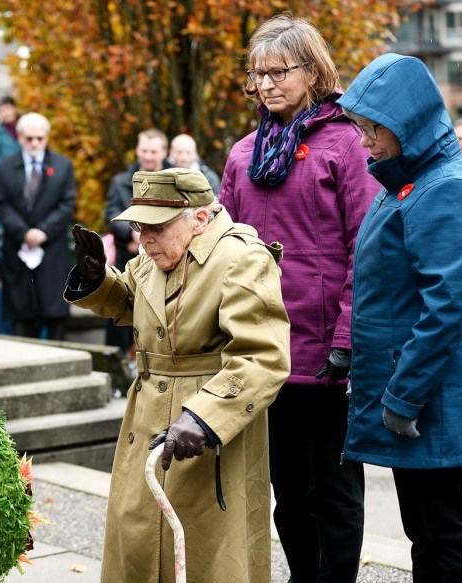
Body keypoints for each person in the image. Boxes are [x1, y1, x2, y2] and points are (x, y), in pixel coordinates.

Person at [64, 167, 291, 583]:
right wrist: (97, 280)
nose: (144, 239)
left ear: (199, 218)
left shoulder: (242, 258)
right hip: (147, 415)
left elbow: (263, 356)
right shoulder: (155, 256)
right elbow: (135, 302)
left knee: (208, 552)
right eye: (137, 226)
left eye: (157, 226)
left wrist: (205, 417)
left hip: (210, 426)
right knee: (137, 539)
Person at [218, 14, 376, 583]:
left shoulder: (346, 145)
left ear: (312, 71)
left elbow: (368, 247)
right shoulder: (242, 155)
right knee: (285, 487)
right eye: (255, 76)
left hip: (327, 348)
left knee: (333, 487)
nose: (265, 86)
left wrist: (348, 337)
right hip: (264, 348)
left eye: (277, 72)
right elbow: (223, 249)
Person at [337, 53, 462, 583]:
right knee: (428, 533)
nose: (364, 141)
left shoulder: (443, 187)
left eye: (371, 128)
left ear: (405, 120)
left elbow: (447, 305)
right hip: (426, 392)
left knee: (449, 535)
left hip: (436, 396)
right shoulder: (413, 180)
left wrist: (402, 395)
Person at [0, 112, 76, 340]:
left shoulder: (62, 166)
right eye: (29, 138)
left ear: (47, 138)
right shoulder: (5, 168)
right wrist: (24, 232)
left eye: (40, 138)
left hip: (51, 249)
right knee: (22, 313)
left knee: (55, 312)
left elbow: (67, 203)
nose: (35, 143)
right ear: (19, 137)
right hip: (18, 248)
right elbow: (2, 204)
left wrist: (44, 231)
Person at [104, 128, 169, 360]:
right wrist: (132, 233)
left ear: (163, 152)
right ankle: (119, 362)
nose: (148, 156)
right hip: (127, 257)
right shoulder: (120, 181)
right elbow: (111, 214)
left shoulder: (173, 180)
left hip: (164, 260)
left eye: (153, 151)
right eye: (144, 150)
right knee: (121, 309)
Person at [0, 95, 21, 171]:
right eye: (0, 110)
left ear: (15, 108)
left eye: (7, 109)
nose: (5, 113)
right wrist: (2, 170)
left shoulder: (26, 125)